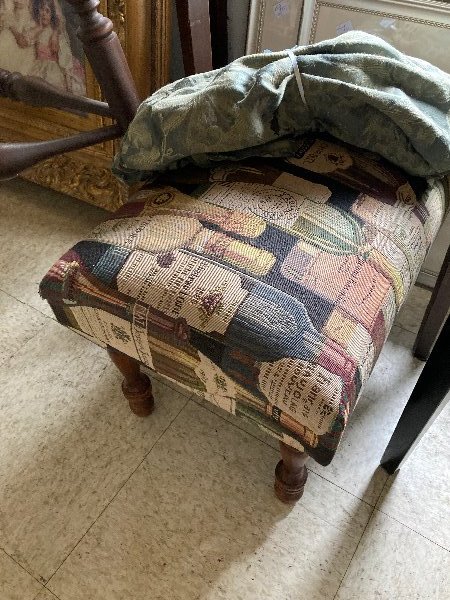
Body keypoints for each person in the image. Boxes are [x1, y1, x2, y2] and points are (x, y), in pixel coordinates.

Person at [0, 0, 35, 74]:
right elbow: (7, 19)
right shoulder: (9, 9)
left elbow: (25, 38)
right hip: (10, 33)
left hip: (23, 44)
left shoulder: (29, 15)